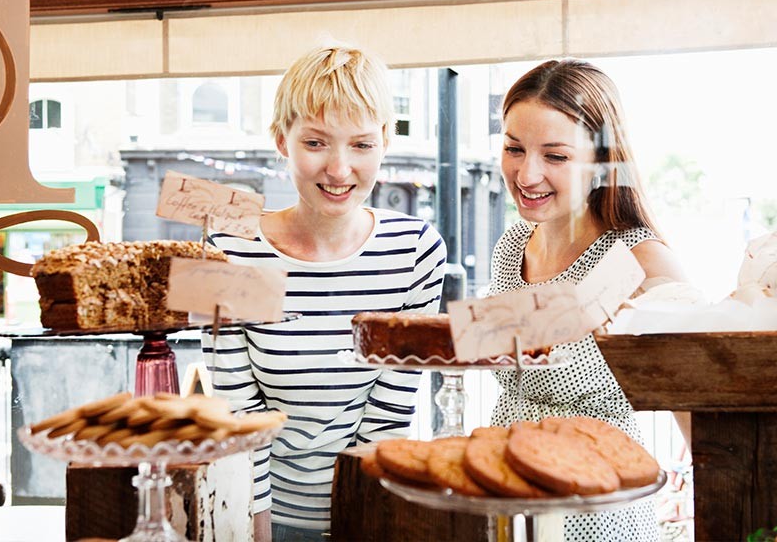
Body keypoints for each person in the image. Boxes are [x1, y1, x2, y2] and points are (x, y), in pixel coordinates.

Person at [202, 44, 446, 542]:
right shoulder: (229, 249)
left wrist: (359, 519)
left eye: (360, 145)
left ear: (385, 140)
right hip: (253, 513)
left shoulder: (416, 251)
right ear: (281, 140)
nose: (339, 170)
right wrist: (259, 526)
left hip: (375, 504)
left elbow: (391, 408)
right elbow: (237, 407)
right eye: (315, 143)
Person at [489, 58, 687, 542]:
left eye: (555, 156)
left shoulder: (642, 260)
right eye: (515, 148)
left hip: (598, 513)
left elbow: (700, 407)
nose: (527, 174)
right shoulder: (512, 245)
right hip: (507, 497)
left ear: (601, 160)